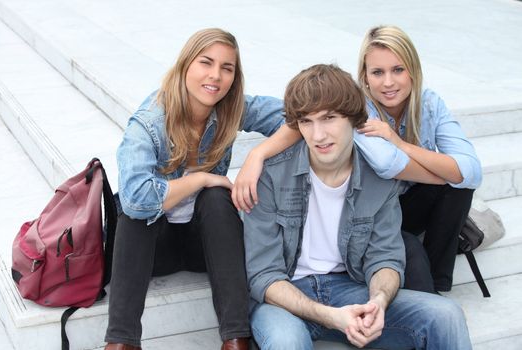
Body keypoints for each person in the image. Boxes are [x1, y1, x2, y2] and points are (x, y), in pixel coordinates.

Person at [243, 64, 472, 350]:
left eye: (329, 118)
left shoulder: (379, 178)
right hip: (283, 298)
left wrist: (377, 301)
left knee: (445, 315)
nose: (318, 135)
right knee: (286, 342)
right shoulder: (269, 176)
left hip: (349, 288)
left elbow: (386, 258)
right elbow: (264, 276)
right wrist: (330, 316)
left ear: (354, 119)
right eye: (306, 121)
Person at [104, 28, 298, 350]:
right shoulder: (151, 120)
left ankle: (236, 339)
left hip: (205, 246)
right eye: (206, 63)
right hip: (153, 250)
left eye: (227, 68)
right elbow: (137, 198)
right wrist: (201, 178)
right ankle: (122, 343)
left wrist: (257, 154)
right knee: (134, 209)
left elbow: (300, 116)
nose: (215, 76)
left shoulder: (229, 107)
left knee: (218, 198)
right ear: (185, 66)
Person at [356, 25, 482, 292]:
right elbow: (387, 164)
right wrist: (446, 174)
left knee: (459, 185)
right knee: (452, 179)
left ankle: (439, 278)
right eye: (378, 72)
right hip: (373, 215)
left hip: (410, 208)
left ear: (413, 70)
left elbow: (471, 171)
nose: (388, 82)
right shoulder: (360, 108)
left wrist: (400, 143)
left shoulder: (429, 103)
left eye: (398, 69)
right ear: (365, 77)